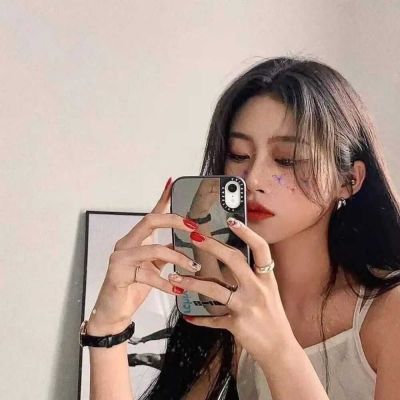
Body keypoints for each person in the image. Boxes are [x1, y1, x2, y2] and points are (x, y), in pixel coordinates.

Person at [82, 57, 400, 400]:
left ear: (349, 181)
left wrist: (277, 349)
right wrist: (108, 331)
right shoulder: (227, 304)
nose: (253, 179)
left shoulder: (389, 313)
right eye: (238, 155)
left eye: (287, 159)